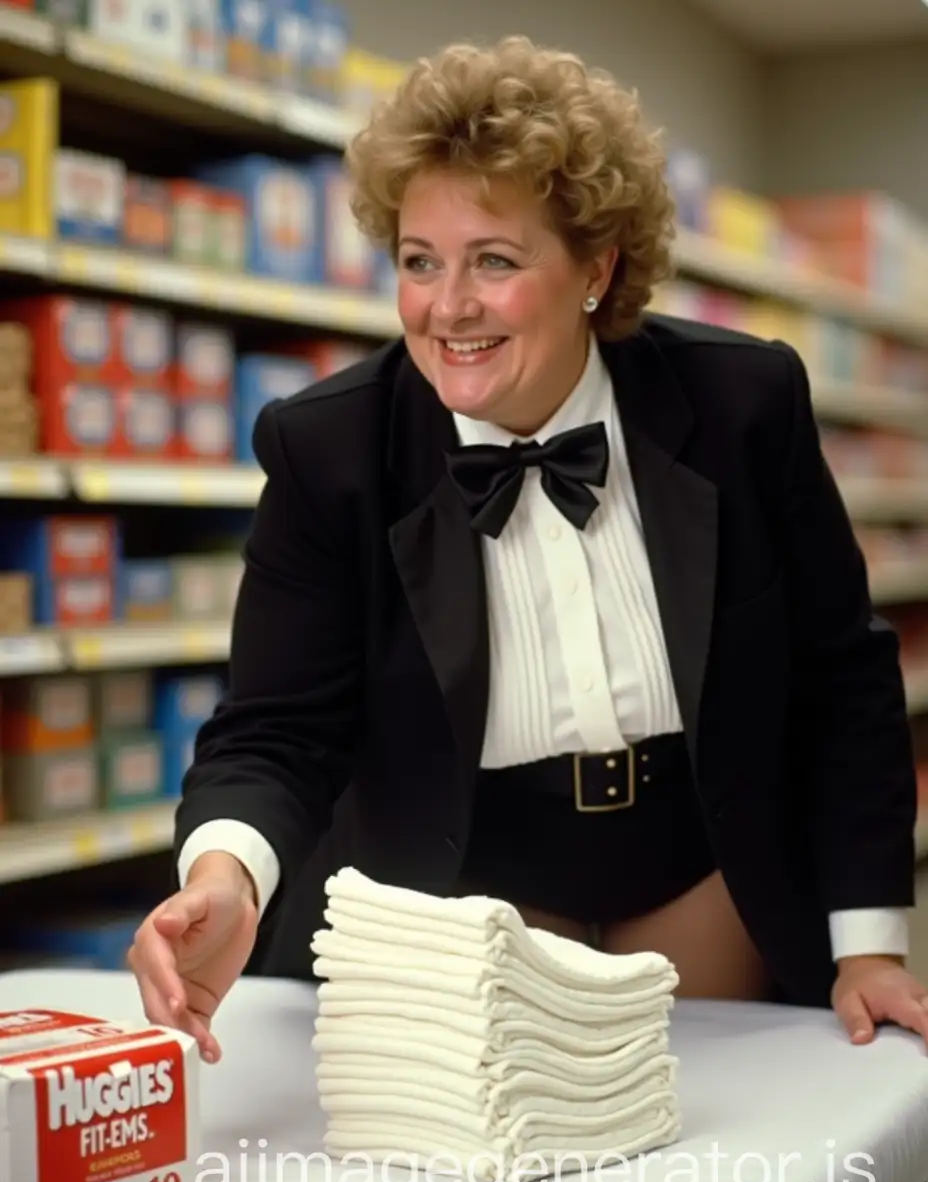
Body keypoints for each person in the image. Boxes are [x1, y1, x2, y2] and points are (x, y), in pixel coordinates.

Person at [128, 35, 928, 1063]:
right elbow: (275, 727)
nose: (447, 307)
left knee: (716, 1165)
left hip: (704, 864)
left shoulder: (741, 403)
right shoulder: (329, 448)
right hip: (466, 880)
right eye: (419, 261)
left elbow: (841, 675)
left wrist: (867, 941)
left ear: (595, 266)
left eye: (494, 261)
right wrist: (223, 875)